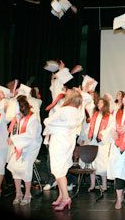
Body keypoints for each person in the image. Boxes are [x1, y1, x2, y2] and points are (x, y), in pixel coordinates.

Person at [42, 89, 84, 211]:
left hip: (59, 141)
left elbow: (48, 121)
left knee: (58, 170)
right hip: (68, 142)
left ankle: (66, 198)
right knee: (62, 168)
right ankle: (61, 195)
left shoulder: (63, 110)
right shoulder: (78, 112)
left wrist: (52, 124)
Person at [43, 61, 81, 191]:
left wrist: (63, 71)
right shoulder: (60, 99)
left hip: (63, 136)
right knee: (55, 161)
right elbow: (55, 85)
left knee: (61, 162)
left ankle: (68, 183)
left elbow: (50, 120)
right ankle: (58, 183)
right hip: (57, 133)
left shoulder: (68, 106)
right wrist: (60, 73)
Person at [6, 96, 42, 205]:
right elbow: (17, 132)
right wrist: (13, 139)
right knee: (15, 168)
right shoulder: (19, 118)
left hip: (31, 147)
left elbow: (30, 136)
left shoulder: (33, 118)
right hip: (20, 146)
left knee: (25, 169)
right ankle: (18, 193)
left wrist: (14, 139)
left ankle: (27, 194)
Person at [81, 97, 113, 192]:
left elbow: (110, 129)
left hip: (102, 143)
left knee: (102, 163)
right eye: (98, 103)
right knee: (92, 163)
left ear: (105, 105)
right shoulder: (94, 115)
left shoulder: (109, 117)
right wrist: (85, 139)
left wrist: (103, 134)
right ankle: (92, 184)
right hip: (92, 141)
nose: (98, 105)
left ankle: (104, 185)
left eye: (101, 103)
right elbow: (89, 127)